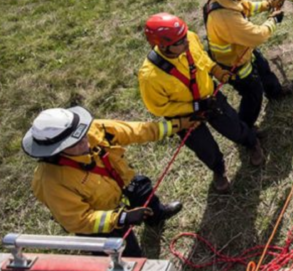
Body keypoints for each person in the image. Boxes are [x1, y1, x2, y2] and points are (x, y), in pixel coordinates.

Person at [24, 105, 187, 257]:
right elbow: (78, 220)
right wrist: (121, 218)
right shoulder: (51, 182)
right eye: (74, 142)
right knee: (126, 255)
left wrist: (177, 125)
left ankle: (156, 217)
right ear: (56, 150)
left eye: (82, 134)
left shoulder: (94, 130)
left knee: (144, 192)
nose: (84, 141)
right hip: (100, 222)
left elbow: (135, 131)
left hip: (123, 184)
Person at [139, 12, 264, 192]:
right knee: (204, 147)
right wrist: (193, 108)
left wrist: (216, 70)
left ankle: (252, 143)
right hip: (184, 116)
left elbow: (202, 58)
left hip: (210, 97)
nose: (186, 42)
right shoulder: (150, 76)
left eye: (184, 36)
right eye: (179, 42)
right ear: (163, 46)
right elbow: (158, 107)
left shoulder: (189, 38)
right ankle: (218, 170)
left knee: (234, 127)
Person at [203, 0, 287, 135]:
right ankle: (246, 128)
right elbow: (257, 36)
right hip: (236, 64)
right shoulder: (224, 16)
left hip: (244, 50)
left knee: (264, 69)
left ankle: (275, 93)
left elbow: (245, 6)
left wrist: (268, 4)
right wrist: (273, 20)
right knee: (252, 95)